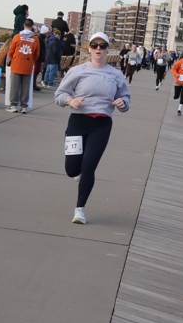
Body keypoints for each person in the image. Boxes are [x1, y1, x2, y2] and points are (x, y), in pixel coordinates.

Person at [55, 32, 130, 224]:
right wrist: (70, 101)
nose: (98, 49)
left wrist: (122, 102)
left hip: (101, 125)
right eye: (94, 45)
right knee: (72, 170)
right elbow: (60, 94)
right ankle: (78, 173)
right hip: (77, 122)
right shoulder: (77, 71)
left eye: (102, 46)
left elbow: (125, 98)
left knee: (89, 167)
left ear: (107, 49)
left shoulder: (116, 75)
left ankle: (79, 210)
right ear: (89, 48)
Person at [6, 18, 40, 113]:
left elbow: (11, 51)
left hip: (17, 64)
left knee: (14, 86)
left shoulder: (17, 37)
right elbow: (37, 54)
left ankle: (13, 105)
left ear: (23, 25)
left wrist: (13, 60)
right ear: (32, 26)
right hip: (28, 65)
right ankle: (24, 106)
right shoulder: (35, 39)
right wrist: (31, 61)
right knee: (25, 87)